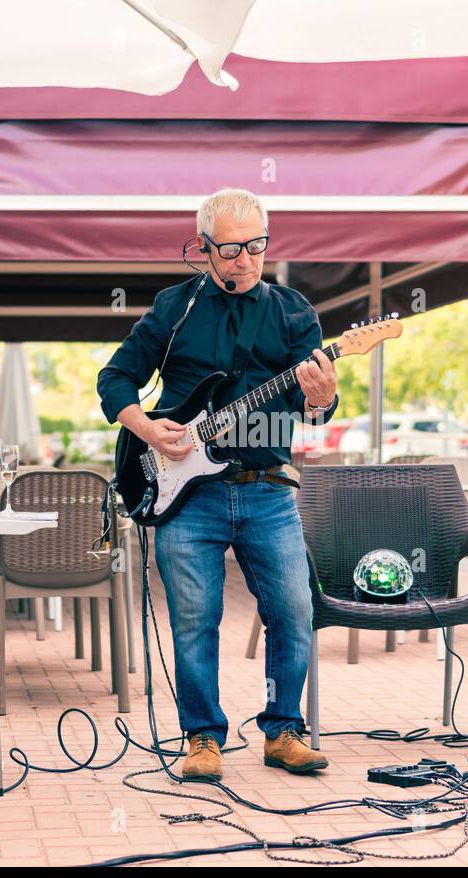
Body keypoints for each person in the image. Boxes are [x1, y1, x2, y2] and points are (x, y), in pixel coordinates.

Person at [97, 187, 337, 782]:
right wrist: (148, 430)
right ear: (202, 248)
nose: (245, 260)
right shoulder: (173, 309)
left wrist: (322, 399)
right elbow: (115, 380)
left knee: (293, 609)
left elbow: (314, 412)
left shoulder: (292, 311)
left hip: (268, 489)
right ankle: (201, 739)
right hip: (187, 491)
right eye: (230, 249)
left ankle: (284, 731)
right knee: (194, 618)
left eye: (256, 246)